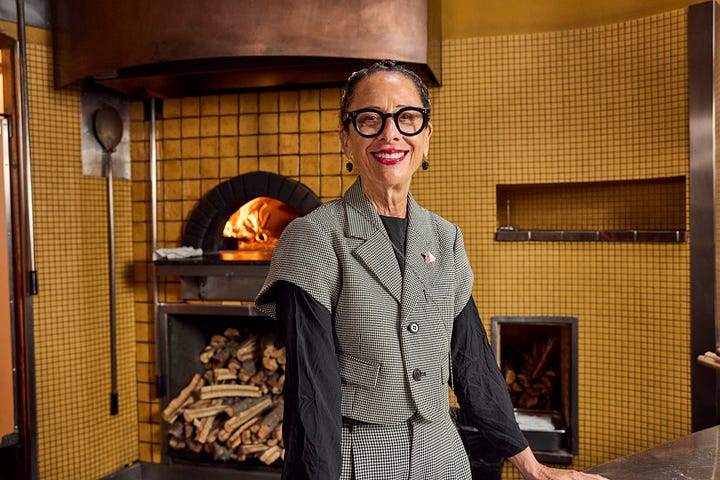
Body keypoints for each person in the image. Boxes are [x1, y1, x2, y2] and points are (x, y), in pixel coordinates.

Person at [256, 60, 606, 480]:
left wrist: (533, 468)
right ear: (346, 140)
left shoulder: (445, 238)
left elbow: (472, 360)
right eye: (369, 119)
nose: (390, 134)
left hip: (444, 459)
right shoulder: (313, 237)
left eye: (407, 118)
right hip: (357, 464)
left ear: (426, 137)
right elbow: (312, 396)